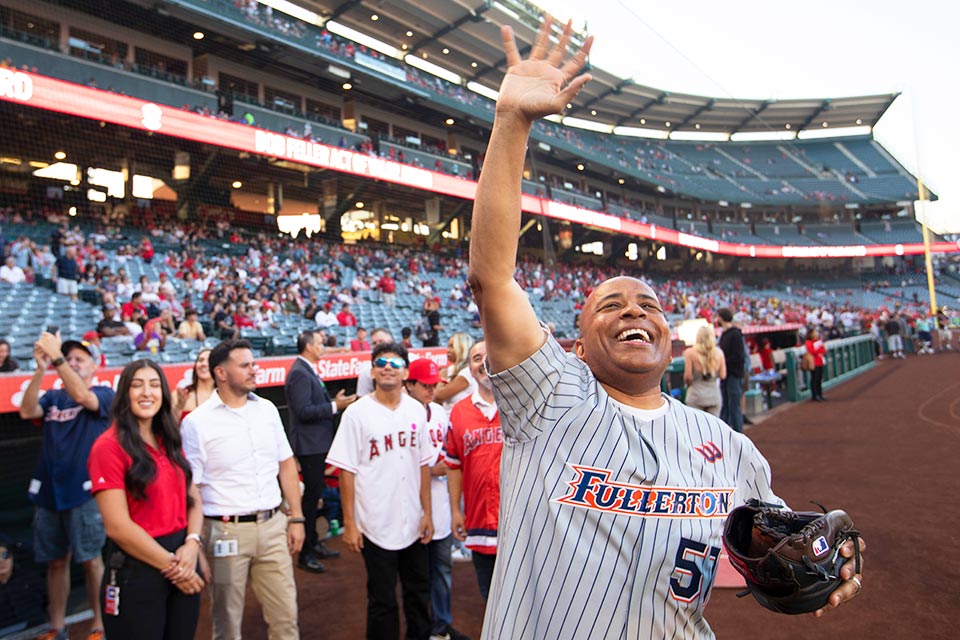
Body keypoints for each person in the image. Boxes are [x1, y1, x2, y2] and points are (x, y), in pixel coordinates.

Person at [466, 19, 864, 639]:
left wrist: (821, 574)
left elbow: (760, 561)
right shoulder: (550, 395)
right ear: (573, 345)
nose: (633, 310)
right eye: (609, 305)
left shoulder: (726, 447)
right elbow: (492, 279)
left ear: (670, 337)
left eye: (648, 304)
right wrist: (512, 122)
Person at [181, 339, 305, 640]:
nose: (254, 370)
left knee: (286, 618)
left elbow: (286, 464)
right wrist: (195, 544)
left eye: (254, 363)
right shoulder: (196, 422)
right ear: (221, 373)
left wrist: (297, 517)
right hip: (225, 532)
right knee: (226, 625)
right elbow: (192, 488)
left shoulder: (267, 409)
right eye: (245, 365)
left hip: (273, 525)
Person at [87, 360, 206, 638]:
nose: (146, 392)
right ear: (124, 394)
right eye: (136, 385)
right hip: (139, 566)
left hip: (182, 555)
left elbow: (194, 497)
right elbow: (117, 526)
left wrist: (192, 544)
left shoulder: (169, 438)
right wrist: (176, 569)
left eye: (154, 385)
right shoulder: (108, 446)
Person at [326, 342, 434, 640]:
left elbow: (423, 465)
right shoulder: (356, 413)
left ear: (406, 373)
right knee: (381, 601)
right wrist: (350, 523)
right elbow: (346, 471)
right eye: (382, 362)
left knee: (418, 594)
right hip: (374, 521)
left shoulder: (416, 410)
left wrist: (427, 513)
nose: (388, 367)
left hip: (412, 518)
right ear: (372, 370)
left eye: (396, 363)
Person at [19, 335, 113, 640]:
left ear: (94, 366)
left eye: (79, 360)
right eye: (69, 358)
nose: (72, 363)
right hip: (49, 492)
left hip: (84, 493)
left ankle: (99, 625)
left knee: (90, 560)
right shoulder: (54, 398)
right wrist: (39, 369)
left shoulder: (103, 392)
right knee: (56, 563)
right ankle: (57, 628)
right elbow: (27, 410)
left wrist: (57, 359)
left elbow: (85, 399)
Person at [404, 358, 471, 640]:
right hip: (411, 504)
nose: (431, 391)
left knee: (442, 569)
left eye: (434, 385)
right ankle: (420, 628)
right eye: (425, 385)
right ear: (410, 385)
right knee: (416, 577)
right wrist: (429, 469)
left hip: (441, 502)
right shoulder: (402, 415)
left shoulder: (442, 414)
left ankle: (441, 626)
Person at [284, 330, 356, 574]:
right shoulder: (299, 373)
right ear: (308, 346)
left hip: (317, 443)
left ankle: (313, 543)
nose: (323, 347)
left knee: (316, 495)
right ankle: (306, 552)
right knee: (311, 498)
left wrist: (332, 401)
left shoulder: (306, 370)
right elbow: (303, 411)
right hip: (309, 445)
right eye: (320, 344)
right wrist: (336, 405)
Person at [443, 341, 501, 601]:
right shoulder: (459, 412)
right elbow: (453, 466)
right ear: (469, 368)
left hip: (523, 526)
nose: (483, 362)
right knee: (491, 605)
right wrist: (456, 509)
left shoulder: (524, 405)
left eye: (489, 355)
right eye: (477, 358)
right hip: (480, 524)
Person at [682, 325, 726, 417]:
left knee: (696, 428)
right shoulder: (719, 353)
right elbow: (723, 375)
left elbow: (688, 377)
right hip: (714, 395)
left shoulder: (690, 353)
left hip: (695, 395)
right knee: (713, 429)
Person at [717, 307, 747, 432]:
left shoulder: (735, 334)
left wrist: (723, 362)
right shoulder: (725, 334)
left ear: (721, 318)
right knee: (726, 406)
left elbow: (739, 356)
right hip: (726, 375)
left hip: (733, 375)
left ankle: (739, 437)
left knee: (734, 407)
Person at [433, 333, 476, 412]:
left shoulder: (467, 373)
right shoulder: (451, 369)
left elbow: (438, 395)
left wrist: (442, 378)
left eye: (452, 346)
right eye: (448, 346)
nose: (448, 350)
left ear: (462, 348)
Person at [174, 349, 215, 422]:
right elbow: (168, 427)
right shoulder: (179, 395)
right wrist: (179, 406)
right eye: (200, 360)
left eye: (209, 361)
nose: (204, 364)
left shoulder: (225, 395)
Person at [355, 328, 394, 396]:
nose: (378, 345)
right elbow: (361, 399)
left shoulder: (411, 359)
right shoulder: (367, 370)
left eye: (381, 341)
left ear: (391, 341)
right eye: (374, 343)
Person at [805, 327, 828, 401]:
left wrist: (819, 349)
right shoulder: (808, 342)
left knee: (819, 379)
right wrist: (819, 349)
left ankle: (820, 394)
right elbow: (812, 351)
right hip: (814, 362)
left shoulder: (818, 341)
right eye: (814, 332)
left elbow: (823, 350)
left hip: (820, 361)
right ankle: (814, 395)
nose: (816, 334)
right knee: (814, 378)